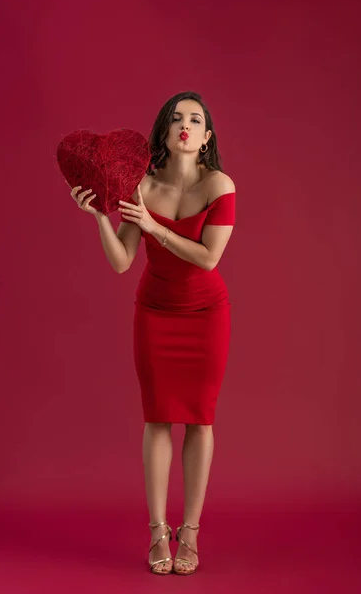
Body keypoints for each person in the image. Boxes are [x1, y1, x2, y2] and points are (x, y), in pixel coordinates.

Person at [70, 91, 236, 576]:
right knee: (158, 419)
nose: (185, 125)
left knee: (200, 420)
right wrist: (101, 215)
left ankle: (191, 532)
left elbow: (208, 258)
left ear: (206, 138)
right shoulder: (139, 186)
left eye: (195, 120)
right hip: (156, 312)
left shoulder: (220, 185)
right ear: (164, 133)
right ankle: (158, 531)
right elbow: (123, 263)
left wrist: (156, 230)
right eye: (176, 119)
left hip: (206, 312)